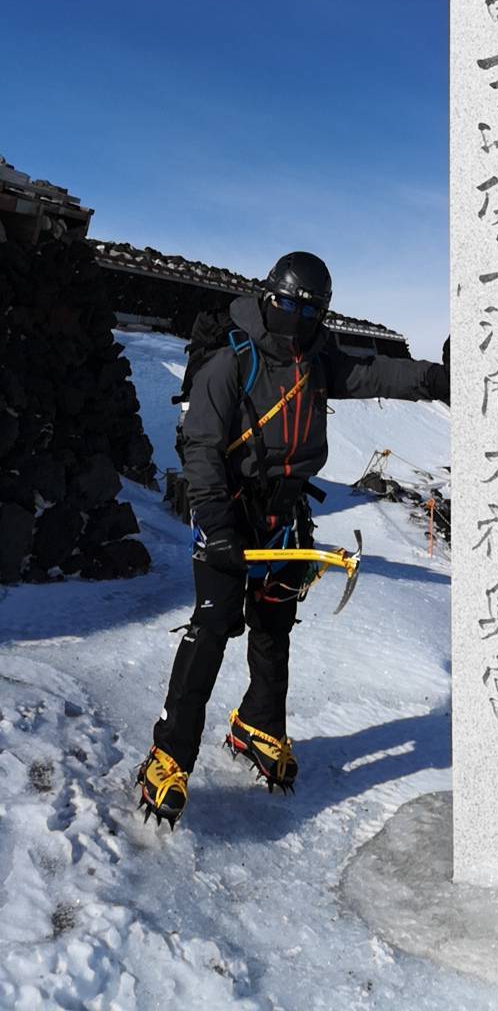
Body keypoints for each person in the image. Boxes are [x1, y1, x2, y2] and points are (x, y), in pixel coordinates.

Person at [137, 251, 449, 825]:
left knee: (274, 626)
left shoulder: (316, 359)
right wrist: (215, 521)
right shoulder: (233, 359)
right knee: (211, 626)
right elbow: (200, 444)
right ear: (268, 297)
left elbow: (374, 372)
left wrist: (435, 379)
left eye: (311, 309)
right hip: (229, 511)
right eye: (288, 304)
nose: (297, 315)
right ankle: (169, 752)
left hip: (285, 520)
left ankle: (258, 723)